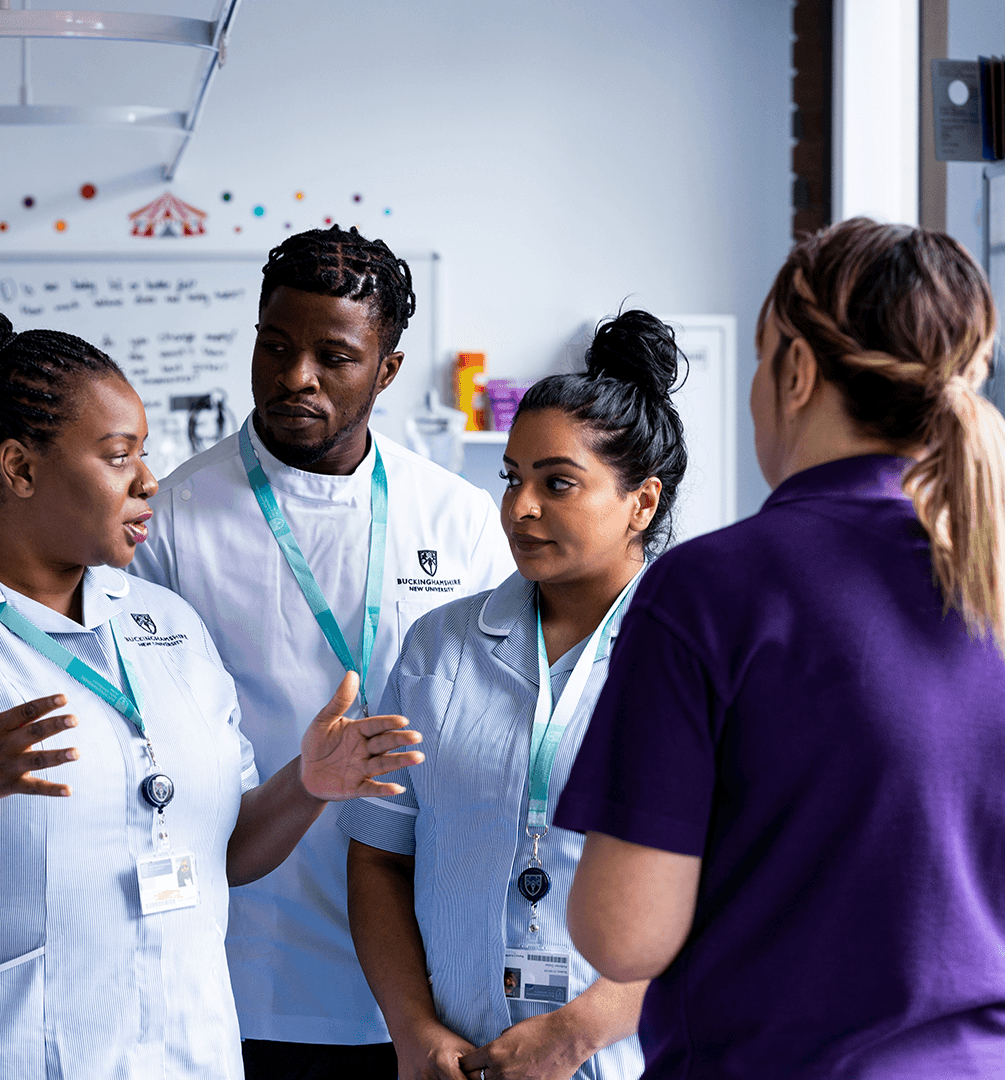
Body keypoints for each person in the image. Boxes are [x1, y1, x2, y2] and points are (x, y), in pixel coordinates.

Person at [0, 298, 426, 1079]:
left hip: (185, 1054)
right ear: (20, 468)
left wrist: (307, 786)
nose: (148, 481)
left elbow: (220, 851)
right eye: (118, 455)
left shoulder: (168, 625)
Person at [560, 219, 1005, 1077]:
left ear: (795, 372)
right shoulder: (991, 581)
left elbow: (624, 935)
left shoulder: (714, 591)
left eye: (766, 359)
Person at [130, 226, 513, 1078]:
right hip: (245, 963)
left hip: (430, 981)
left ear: (388, 370)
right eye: (274, 345)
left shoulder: (458, 521)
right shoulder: (173, 522)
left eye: (333, 355)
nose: (293, 376)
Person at [340, 310, 687, 1080]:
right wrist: (412, 1030)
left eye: (557, 483)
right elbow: (378, 859)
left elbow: (734, 887)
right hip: (457, 1062)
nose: (519, 506)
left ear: (642, 503)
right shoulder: (439, 648)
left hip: (627, 1060)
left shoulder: (692, 659)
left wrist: (577, 1034)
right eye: (512, 477)